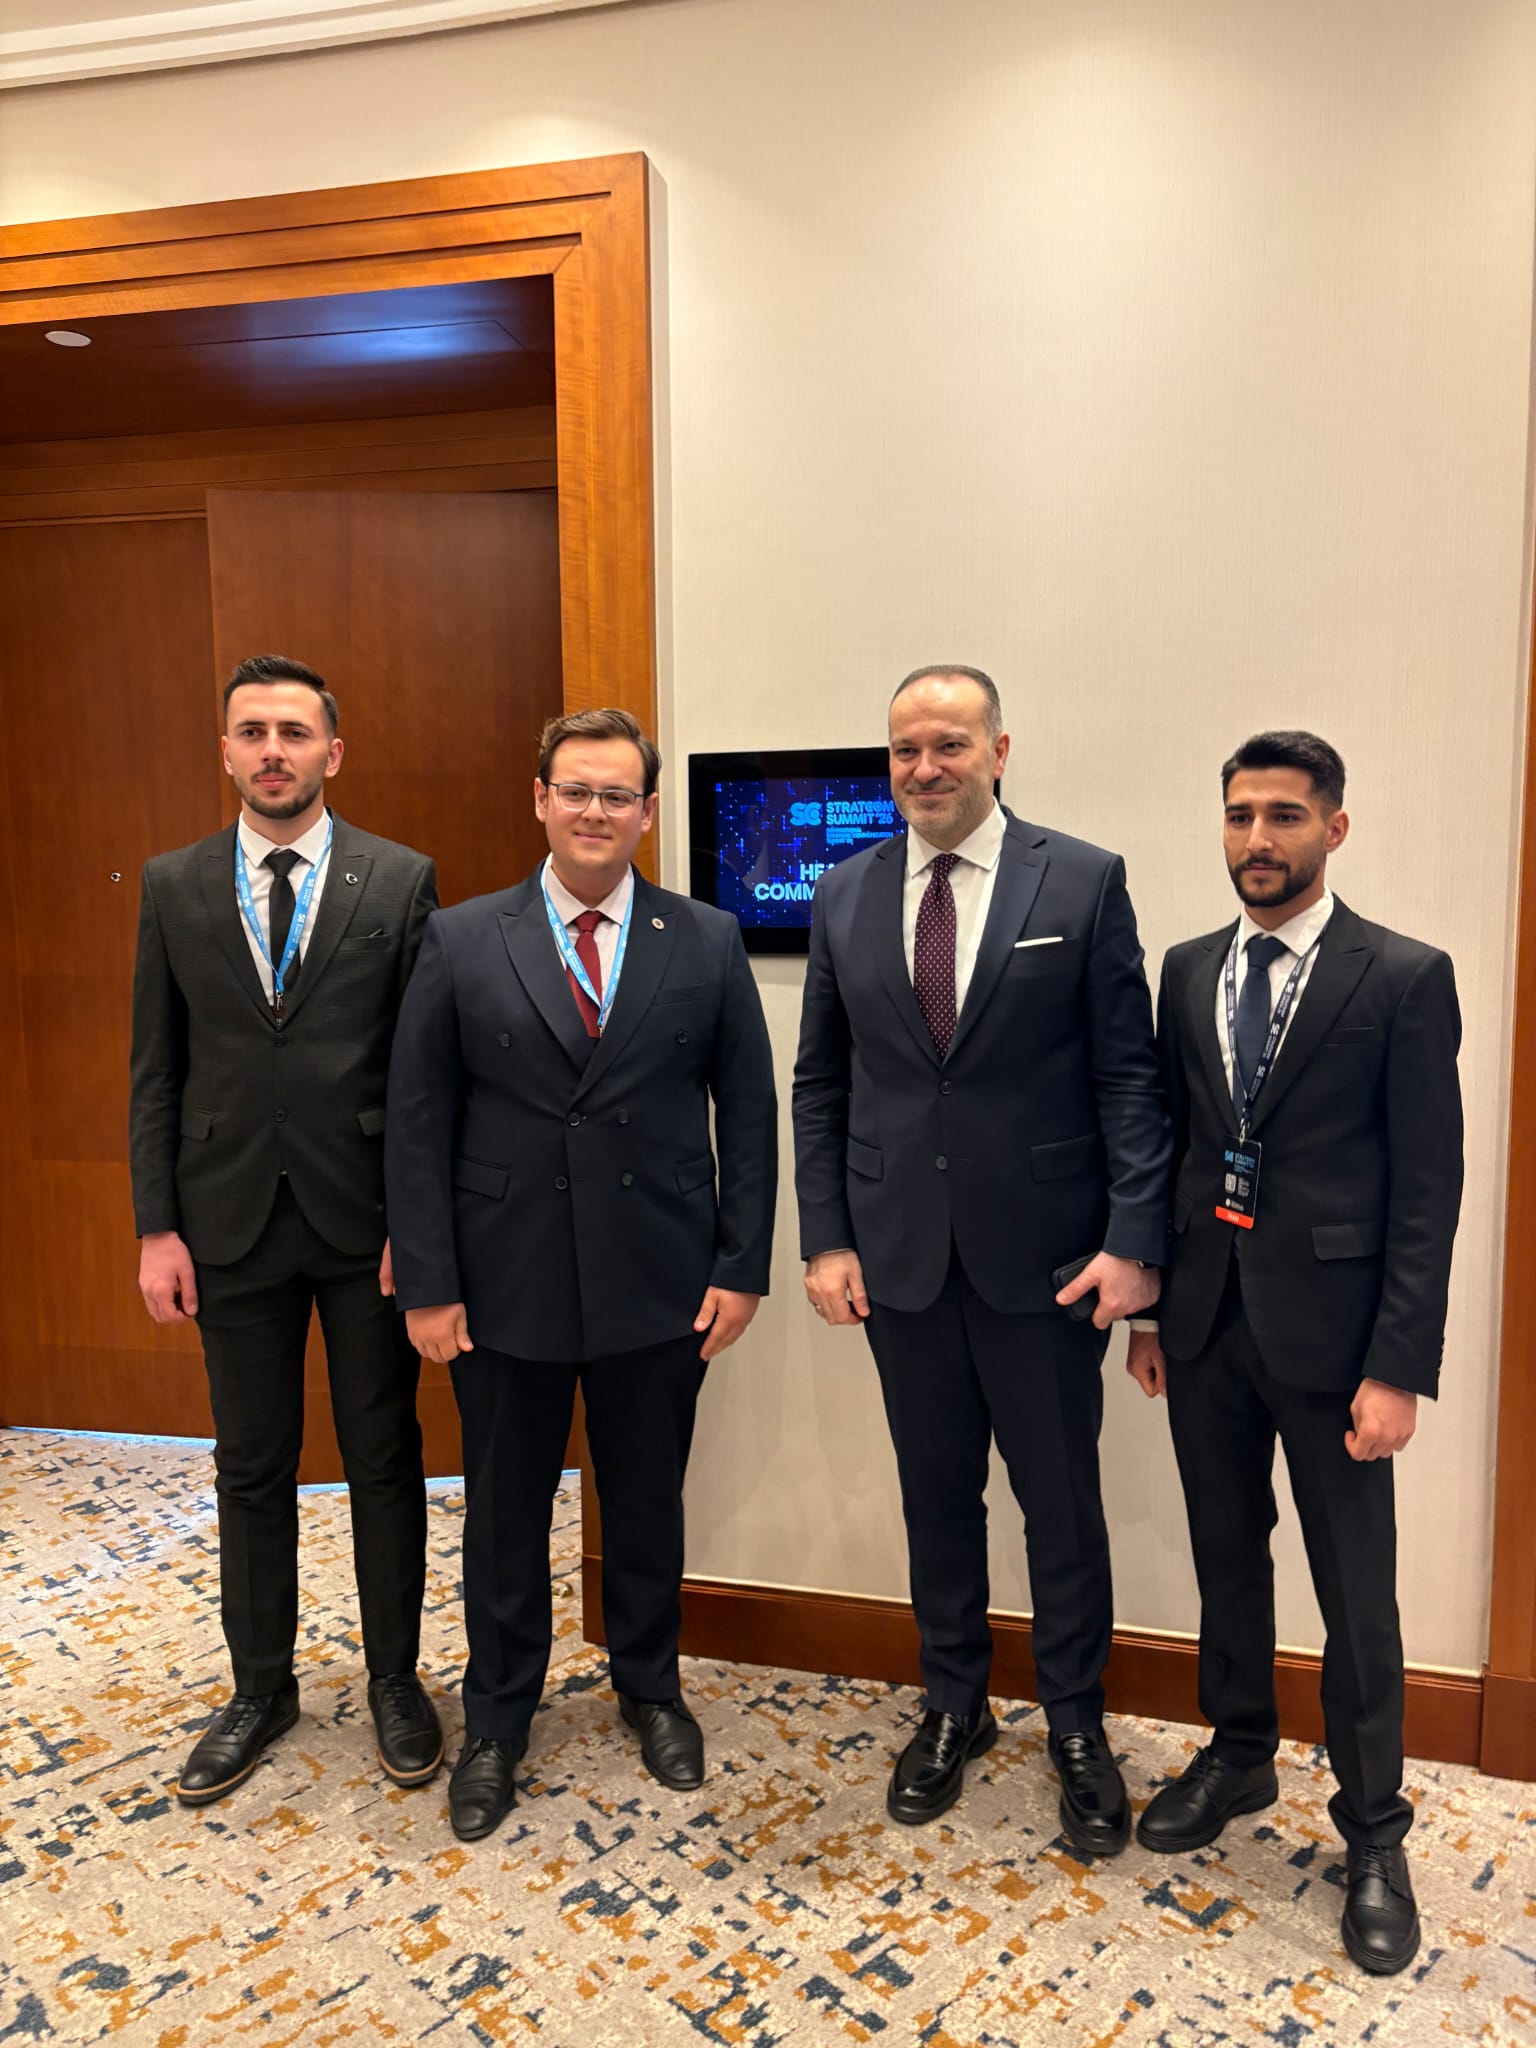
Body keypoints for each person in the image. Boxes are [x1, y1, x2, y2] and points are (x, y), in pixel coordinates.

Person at [793, 666, 1169, 1850]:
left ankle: (1076, 1722)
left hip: (1048, 1262)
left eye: (949, 743)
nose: (925, 767)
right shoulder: (845, 891)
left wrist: (1134, 1240)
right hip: (900, 1258)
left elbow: (1129, 1077)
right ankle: (953, 1700)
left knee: (1061, 1504)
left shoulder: (1083, 879)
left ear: (999, 750)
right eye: (905, 748)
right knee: (936, 1496)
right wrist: (825, 1234)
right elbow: (820, 1081)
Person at [385, 707, 777, 1842]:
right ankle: (498, 1718)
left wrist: (741, 1264)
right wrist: (428, 1281)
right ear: (540, 800)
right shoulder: (462, 937)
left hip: (661, 1276)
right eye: (576, 791)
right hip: (501, 1282)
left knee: (647, 1499)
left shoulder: (705, 937)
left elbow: (748, 1113)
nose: (595, 811)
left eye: (617, 795)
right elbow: (418, 1119)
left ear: (648, 811)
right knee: (505, 1510)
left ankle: (650, 1686)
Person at [1127, 730, 1463, 1976]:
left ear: (1335, 826)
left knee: (1356, 1594)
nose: (1258, 838)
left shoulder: (1403, 975)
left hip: (1338, 1344)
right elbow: (1175, 1143)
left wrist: (1399, 1365)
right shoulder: (1187, 967)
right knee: (1227, 1555)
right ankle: (1239, 1751)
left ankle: (1374, 1828)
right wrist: (1153, 1312)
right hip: (1206, 1322)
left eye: (1283, 814)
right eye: (1239, 815)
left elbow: (1428, 1187)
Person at [130, 654, 442, 1807]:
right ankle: (260, 1686)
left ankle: (397, 1678)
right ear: (225, 749)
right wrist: (157, 1226)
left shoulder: (399, 879)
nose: (273, 750)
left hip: (367, 1225)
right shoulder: (173, 884)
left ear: (332, 752)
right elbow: (155, 1069)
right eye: (253, 730)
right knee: (250, 1466)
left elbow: (424, 1076)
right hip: (226, 1222)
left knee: (383, 1458)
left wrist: (423, 1227)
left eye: (294, 731)